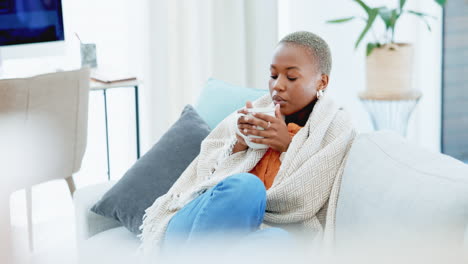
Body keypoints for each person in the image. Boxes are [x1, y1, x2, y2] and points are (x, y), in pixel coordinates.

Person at [139, 31, 356, 257]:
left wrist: (287, 146)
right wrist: (238, 145)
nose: (277, 86)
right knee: (247, 187)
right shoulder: (253, 114)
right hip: (197, 220)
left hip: (260, 231)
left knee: (281, 242)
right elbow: (202, 178)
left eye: (291, 78)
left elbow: (309, 195)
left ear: (322, 81)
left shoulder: (334, 128)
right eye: (273, 76)